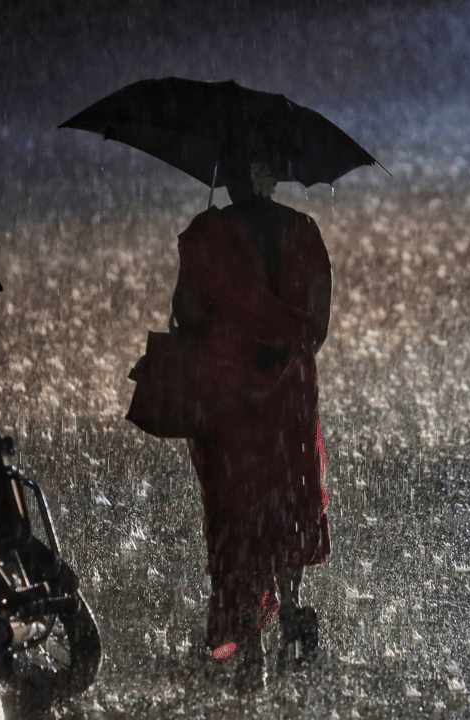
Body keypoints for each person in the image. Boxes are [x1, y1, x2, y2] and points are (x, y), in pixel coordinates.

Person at [170, 155, 332, 672]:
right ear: (273, 178)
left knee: (236, 508)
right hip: (286, 396)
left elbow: (188, 314)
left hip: (228, 400)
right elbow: (318, 326)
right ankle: (289, 605)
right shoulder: (301, 232)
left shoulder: (207, 234)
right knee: (287, 499)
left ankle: (247, 640)